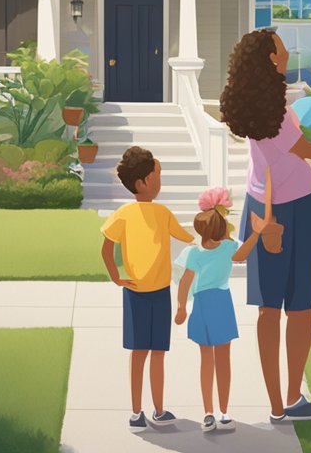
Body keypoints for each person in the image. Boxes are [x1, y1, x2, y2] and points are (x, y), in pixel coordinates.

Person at [220, 29, 311, 423]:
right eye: (282, 50)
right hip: (299, 205)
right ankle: (291, 395)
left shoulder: (247, 106)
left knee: (269, 308)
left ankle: (276, 405)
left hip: (261, 206)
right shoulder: (281, 113)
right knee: (300, 306)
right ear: (271, 59)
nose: (287, 53)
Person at [100, 146, 195, 432]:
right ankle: (137, 411)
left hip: (159, 293)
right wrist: (116, 278)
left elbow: (187, 236)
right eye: (157, 175)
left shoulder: (161, 213)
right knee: (141, 352)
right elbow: (106, 248)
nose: (160, 181)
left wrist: (212, 227)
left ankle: (158, 409)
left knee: (156, 352)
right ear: (142, 182)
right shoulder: (125, 214)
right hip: (138, 294)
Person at [173, 187, 261, 432]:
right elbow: (244, 253)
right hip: (220, 304)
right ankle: (221, 412)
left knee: (207, 361)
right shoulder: (227, 249)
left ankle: (210, 413)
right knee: (223, 361)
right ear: (220, 229)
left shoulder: (195, 253)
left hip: (203, 306)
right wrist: (257, 233)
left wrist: (181, 308)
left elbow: (185, 282)